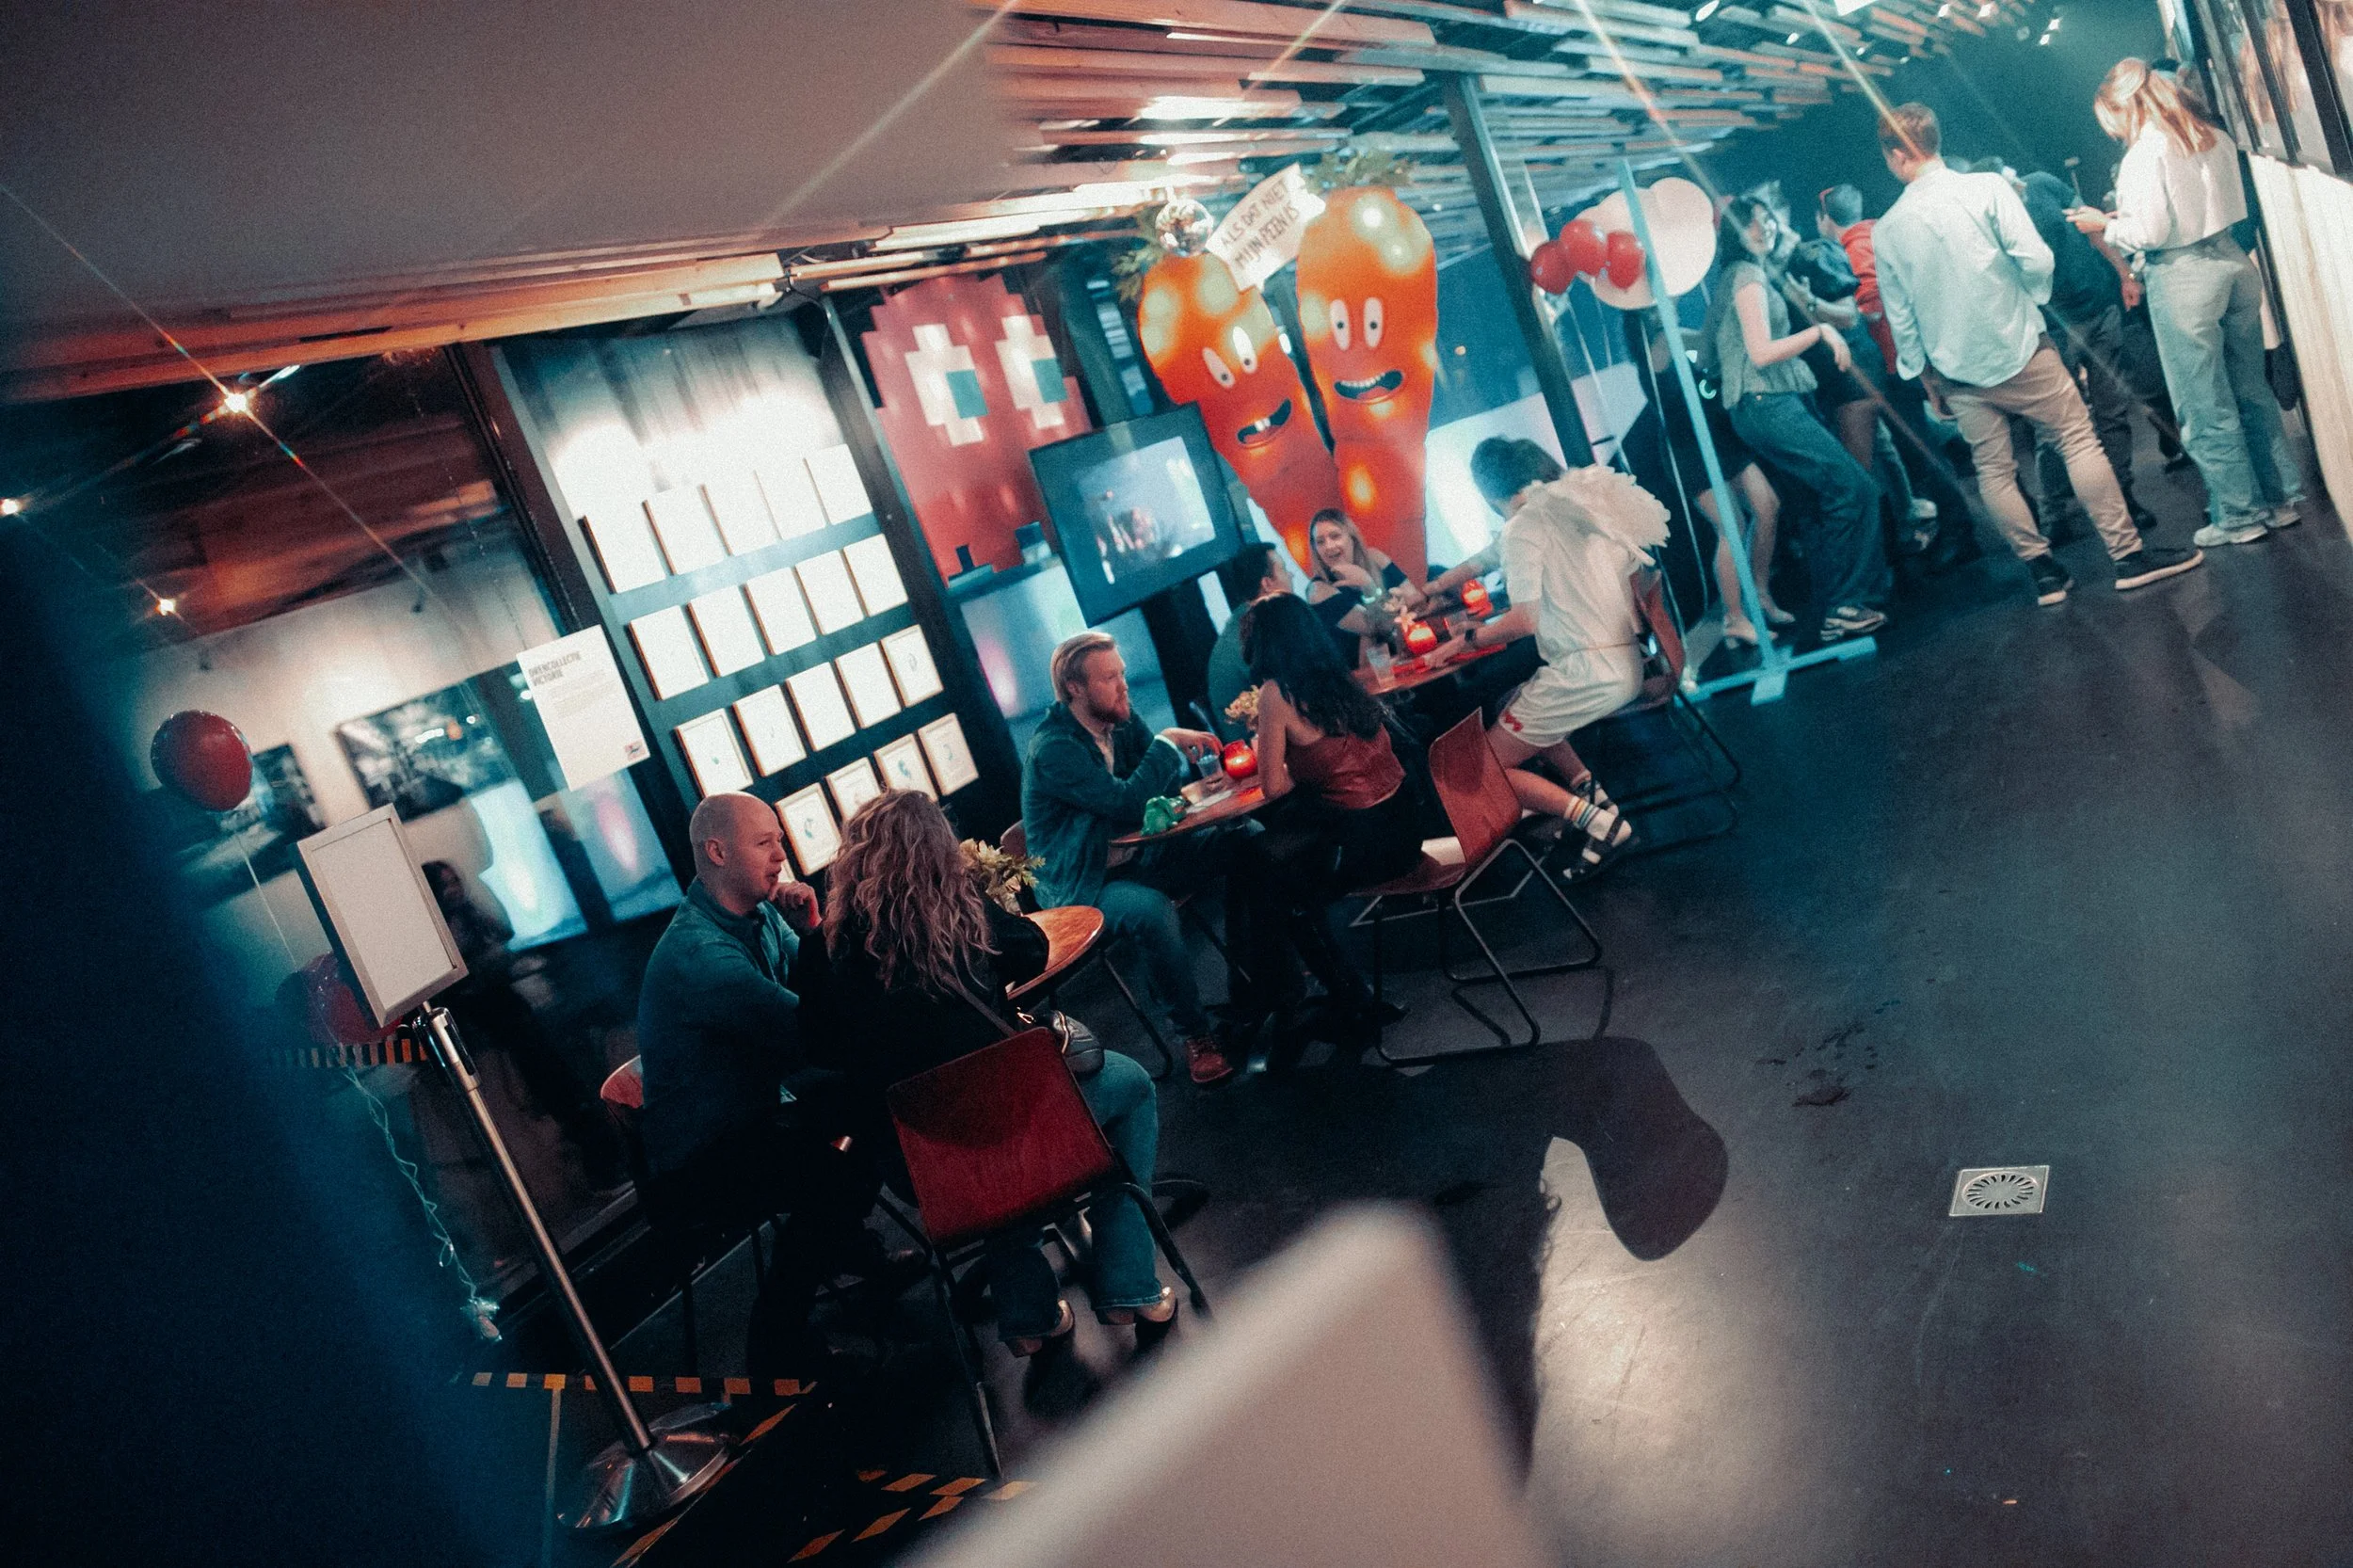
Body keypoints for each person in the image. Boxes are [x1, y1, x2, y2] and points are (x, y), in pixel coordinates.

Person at [792, 792, 1176, 1352]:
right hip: (1019, 1126)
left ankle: (1029, 1317)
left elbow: (818, 1051)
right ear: (937, 849)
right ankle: (1127, 1284)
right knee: (1131, 1087)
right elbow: (1034, 950)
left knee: (975, 1149)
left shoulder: (819, 953)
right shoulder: (962, 908)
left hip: (921, 1163)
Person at [1872, 101, 2204, 605]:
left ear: (1896, 155)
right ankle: (2128, 557)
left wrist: (1925, 378)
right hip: (2020, 344)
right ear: (1934, 140)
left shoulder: (1887, 229)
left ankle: (2045, 574)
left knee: (1993, 469)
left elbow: (1901, 316)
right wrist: (2030, 299)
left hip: (1955, 370)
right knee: (2077, 439)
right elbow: (2036, 258)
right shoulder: (1986, 189)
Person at [634, 792, 889, 1372]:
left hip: (760, 1111)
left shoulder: (763, 912)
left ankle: (848, 1251)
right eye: (764, 842)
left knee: (869, 1108)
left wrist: (812, 929)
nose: (782, 853)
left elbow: (818, 1005)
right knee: (842, 1163)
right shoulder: (699, 955)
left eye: (779, 837)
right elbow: (812, 1031)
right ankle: (777, 1340)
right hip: (702, 1160)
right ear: (717, 851)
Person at [2078, 59, 2305, 546]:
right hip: (2233, 264)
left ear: (2125, 107)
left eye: (2110, 119)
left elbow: (2152, 232)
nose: (2112, 130)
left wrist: (2106, 226)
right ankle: (2281, 499)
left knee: (2203, 405)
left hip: (2183, 275)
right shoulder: (2211, 135)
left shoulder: (2144, 153)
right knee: (2251, 392)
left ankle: (2240, 516)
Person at [1020, 631, 1240, 1086]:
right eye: (1110, 678)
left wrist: (1164, 758)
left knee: (1243, 839)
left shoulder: (1119, 718)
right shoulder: (1054, 749)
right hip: (1082, 884)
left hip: (1139, 855)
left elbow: (1157, 788)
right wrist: (1168, 742)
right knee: (1151, 912)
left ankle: (1264, 980)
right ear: (1075, 689)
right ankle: (1196, 1035)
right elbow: (1128, 802)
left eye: (1121, 674)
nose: (1124, 686)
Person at [1227, 594, 1425, 1051]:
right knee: (1264, 862)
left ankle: (1329, 1000)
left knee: (1276, 886)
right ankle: (1283, 997)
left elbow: (1272, 787)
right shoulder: (1337, 677)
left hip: (1368, 846)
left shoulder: (1278, 693)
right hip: (1408, 827)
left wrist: (1282, 753)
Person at [1698, 195, 1890, 645]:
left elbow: (1707, 355)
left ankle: (1844, 603)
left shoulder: (1729, 279)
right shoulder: (1746, 277)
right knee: (1853, 486)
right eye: (1752, 225)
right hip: (1769, 402)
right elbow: (1762, 351)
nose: (1763, 230)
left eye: (1766, 221)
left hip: (1756, 407)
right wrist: (1819, 331)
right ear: (1733, 233)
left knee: (1825, 499)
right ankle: (1845, 606)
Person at [1463, 438, 1658, 870]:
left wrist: (1470, 639)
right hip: (1627, 661)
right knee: (1513, 702)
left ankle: (1599, 825)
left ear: (1487, 490)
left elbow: (1522, 622)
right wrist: (1436, 589)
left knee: (1487, 767)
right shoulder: (1571, 512)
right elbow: (1488, 558)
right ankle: (1597, 802)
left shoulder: (1522, 527)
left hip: (1588, 672)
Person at [423, 860, 625, 1190]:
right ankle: (601, 1166)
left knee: (574, 1081)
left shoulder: (471, 917)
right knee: (560, 1092)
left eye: (456, 881)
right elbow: (469, 982)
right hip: (508, 1025)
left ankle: (607, 1159)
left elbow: (505, 931)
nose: (455, 889)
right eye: (445, 885)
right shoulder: (442, 935)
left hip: (525, 1012)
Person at [1817, 183, 1982, 571]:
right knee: (1934, 444)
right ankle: (1968, 524)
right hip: (1919, 355)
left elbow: (1871, 304)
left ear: (1825, 218)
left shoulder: (1854, 248)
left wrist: (1837, 311)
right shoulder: (1880, 232)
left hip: (1896, 364)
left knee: (1923, 452)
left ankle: (1961, 532)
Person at [1616, 312, 1794, 650]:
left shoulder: (1671, 339)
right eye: (1653, 307)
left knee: (1768, 506)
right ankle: (1734, 618)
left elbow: (1702, 342)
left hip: (1719, 439)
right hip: (1690, 452)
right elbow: (1690, 336)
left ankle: (1759, 593)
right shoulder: (1656, 349)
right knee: (1732, 527)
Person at [1305, 508, 1426, 664]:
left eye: (1335, 536)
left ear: (1352, 538)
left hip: (1412, 652)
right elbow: (1379, 628)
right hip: (1369, 677)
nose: (1328, 546)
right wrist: (1369, 587)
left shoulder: (1376, 558)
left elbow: (1416, 602)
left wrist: (1405, 607)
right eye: (1320, 542)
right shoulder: (1318, 590)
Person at [1207, 541, 1293, 729]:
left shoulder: (1251, 617)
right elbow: (1294, 689)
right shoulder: (1257, 630)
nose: (1291, 576)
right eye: (1285, 571)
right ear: (1267, 584)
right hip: (1257, 743)